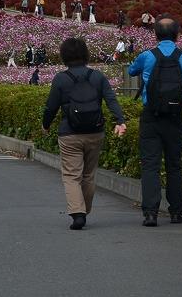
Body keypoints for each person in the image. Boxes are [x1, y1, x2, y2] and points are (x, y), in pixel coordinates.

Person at [42, 37, 127, 230]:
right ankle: (84, 210)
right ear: (85, 54)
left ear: (64, 55)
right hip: (95, 132)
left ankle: (78, 213)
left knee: (72, 175)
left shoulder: (61, 79)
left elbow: (50, 107)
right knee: (89, 175)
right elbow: (111, 100)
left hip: (69, 134)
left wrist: (45, 125)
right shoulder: (97, 77)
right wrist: (120, 120)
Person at [127, 16, 182, 226]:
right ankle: (176, 212)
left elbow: (132, 71)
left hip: (151, 116)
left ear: (155, 34)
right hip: (175, 117)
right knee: (174, 165)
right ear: (177, 35)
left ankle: (151, 213)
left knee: (150, 165)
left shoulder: (147, 56)